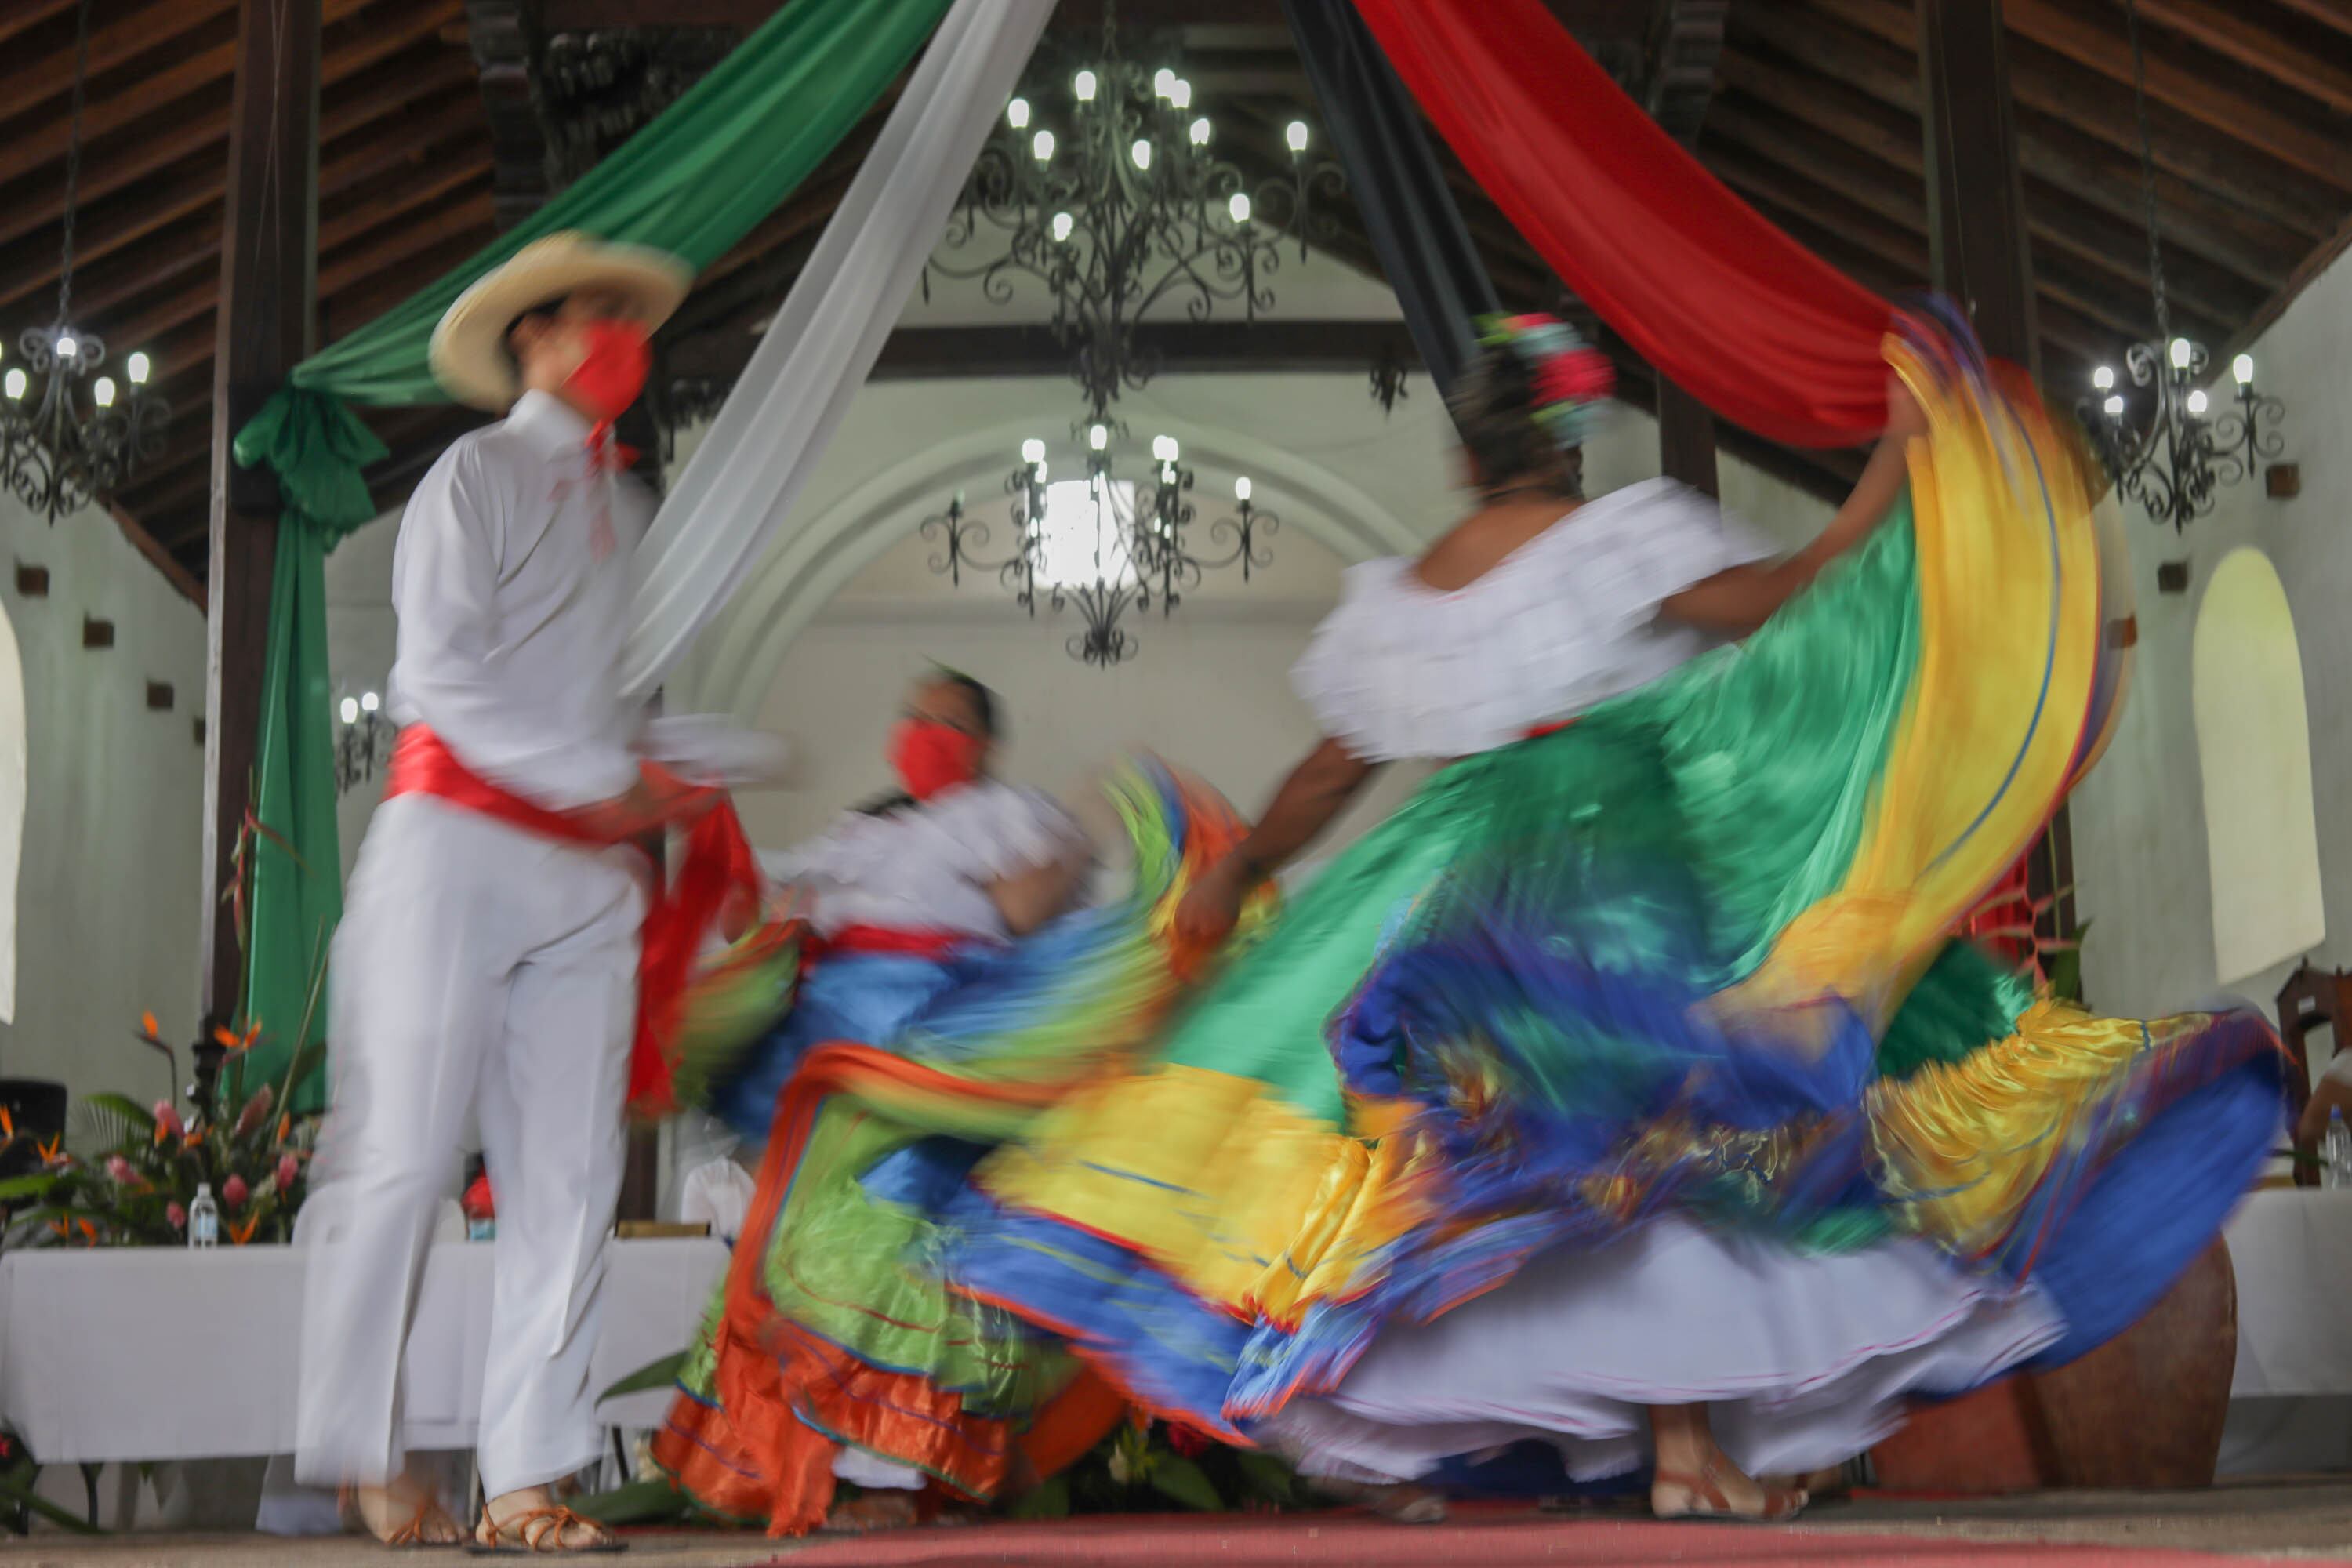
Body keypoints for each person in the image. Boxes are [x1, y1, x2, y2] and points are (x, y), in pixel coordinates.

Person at [942, 313, 2287, 1523]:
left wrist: (1238, 876)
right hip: (1615, 849)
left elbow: (1326, 775)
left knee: (1557, 1168)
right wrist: (1900, 459)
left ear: (1469, 458)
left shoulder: (1401, 603)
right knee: (1679, 1146)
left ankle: (1693, 1447)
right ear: (1565, 443)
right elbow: (1798, 590)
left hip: (1450, 869)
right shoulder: (1620, 538)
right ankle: (1696, 1448)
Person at [294, 232, 706, 1553]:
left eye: (628, 318)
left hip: (587, 877)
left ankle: (527, 1478)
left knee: (572, 1181)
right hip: (455, 848)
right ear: (530, 338)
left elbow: (630, 708)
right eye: (597, 314)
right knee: (406, 1156)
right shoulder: (473, 473)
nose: (619, 338)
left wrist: (679, 779)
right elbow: (443, 684)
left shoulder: (638, 514)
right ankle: (360, 1449)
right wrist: (600, 778)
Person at [653, 681, 1260, 1536]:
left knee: (895, 1244)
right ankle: (820, 1469)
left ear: (980, 743)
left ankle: (903, 1473)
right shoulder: (863, 831)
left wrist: (1067, 851)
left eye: (944, 721)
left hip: (932, 1039)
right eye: (912, 717)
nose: (921, 733)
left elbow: (1024, 912)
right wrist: (720, 843)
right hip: (834, 1052)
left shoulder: (1006, 814)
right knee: (804, 1250)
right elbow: (770, 908)